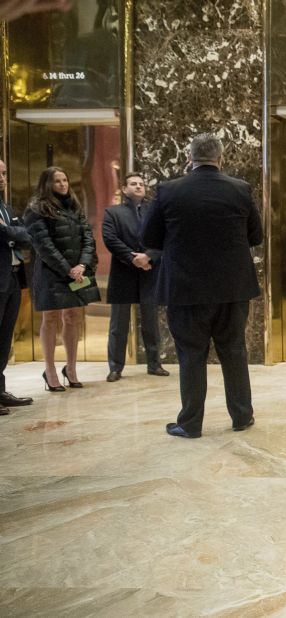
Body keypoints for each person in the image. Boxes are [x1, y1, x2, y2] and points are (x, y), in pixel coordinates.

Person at [143, 134, 262, 438]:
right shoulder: (240, 189)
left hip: (185, 289)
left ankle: (190, 423)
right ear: (221, 158)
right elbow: (255, 236)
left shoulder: (168, 191)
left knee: (191, 356)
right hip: (232, 287)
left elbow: (149, 238)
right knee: (234, 350)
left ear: (190, 158)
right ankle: (242, 416)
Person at [24, 166, 100, 392]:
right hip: (52, 273)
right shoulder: (36, 209)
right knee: (51, 319)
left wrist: (82, 265)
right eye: (57, 181)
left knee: (73, 317)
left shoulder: (75, 206)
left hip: (77, 272)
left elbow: (88, 237)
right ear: (47, 184)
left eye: (65, 180)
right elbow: (44, 246)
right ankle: (50, 371)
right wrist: (68, 269)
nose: (63, 184)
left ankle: (72, 369)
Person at [101, 172, 169, 382]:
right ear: (124, 189)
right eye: (133, 183)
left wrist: (148, 257)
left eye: (141, 183)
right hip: (124, 273)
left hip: (149, 273)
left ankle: (154, 363)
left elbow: (164, 237)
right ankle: (115, 367)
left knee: (151, 323)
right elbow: (110, 239)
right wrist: (134, 258)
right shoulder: (113, 213)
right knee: (118, 325)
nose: (139, 186)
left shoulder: (154, 212)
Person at [0, 159, 34, 413]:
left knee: (4, 338)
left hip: (12, 278)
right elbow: (18, 233)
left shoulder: (5, 207)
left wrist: (9, 230)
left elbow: (26, 234)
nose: (3, 177)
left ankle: (0, 390)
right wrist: (14, 232)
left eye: (4, 173)